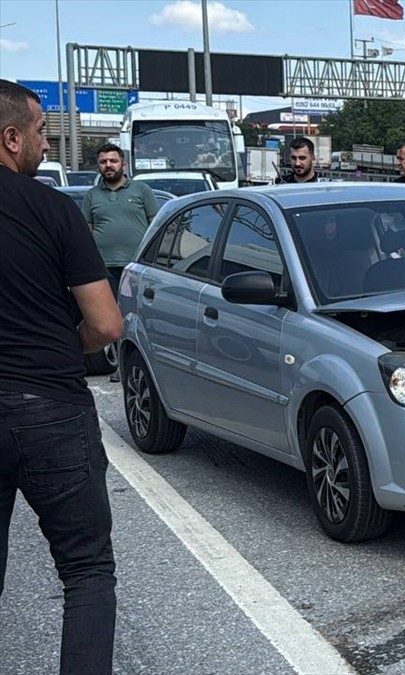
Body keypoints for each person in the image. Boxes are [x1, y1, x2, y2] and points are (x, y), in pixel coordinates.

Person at [0, 79, 124, 675]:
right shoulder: (53, 208)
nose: (46, 146)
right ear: (11, 137)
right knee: (87, 570)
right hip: (51, 405)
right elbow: (105, 324)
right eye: (43, 133)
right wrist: (59, 345)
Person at [82, 143, 158, 382]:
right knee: (114, 318)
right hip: (104, 267)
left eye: (113, 161)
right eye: (104, 162)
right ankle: (119, 368)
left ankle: (147, 365)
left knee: (138, 316)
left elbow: (155, 226)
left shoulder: (141, 191)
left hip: (137, 267)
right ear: (99, 166)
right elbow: (87, 232)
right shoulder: (92, 196)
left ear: (123, 164)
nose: (108, 166)